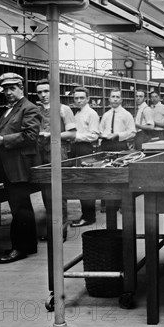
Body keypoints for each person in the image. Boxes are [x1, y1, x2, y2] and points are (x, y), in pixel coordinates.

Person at [0, 73, 41, 263]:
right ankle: (28, 245)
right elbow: (8, 135)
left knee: (19, 208)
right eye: (5, 89)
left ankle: (19, 249)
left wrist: (2, 140)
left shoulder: (29, 108)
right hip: (9, 167)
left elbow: (31, 135)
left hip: (19, 168)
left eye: (12, 88)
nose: (8, 92)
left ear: (21, 88)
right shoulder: (11, 109)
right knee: (22, 208)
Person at [35, 79, 77, 241]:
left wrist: (51, 135)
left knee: (59, 194)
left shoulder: (63, 109)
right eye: (40, 92)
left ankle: (61, 231)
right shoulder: (36, 110)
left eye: (46, 91)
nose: (44, 95)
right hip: (41, 154)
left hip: (59, 153)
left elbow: (72, 134)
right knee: (46, 193)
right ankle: (51, 230)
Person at [70, 86, 100, 228]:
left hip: (85, 149)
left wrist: (76, 136)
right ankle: (86, 215)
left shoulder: (91, 113)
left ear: (88, 99)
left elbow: (94, 135)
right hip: (76, 148)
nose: (79, 100)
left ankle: (89, 217)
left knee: (86, 183)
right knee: (80, 183)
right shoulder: (77, 113)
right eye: (76, 98)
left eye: (82, 98)